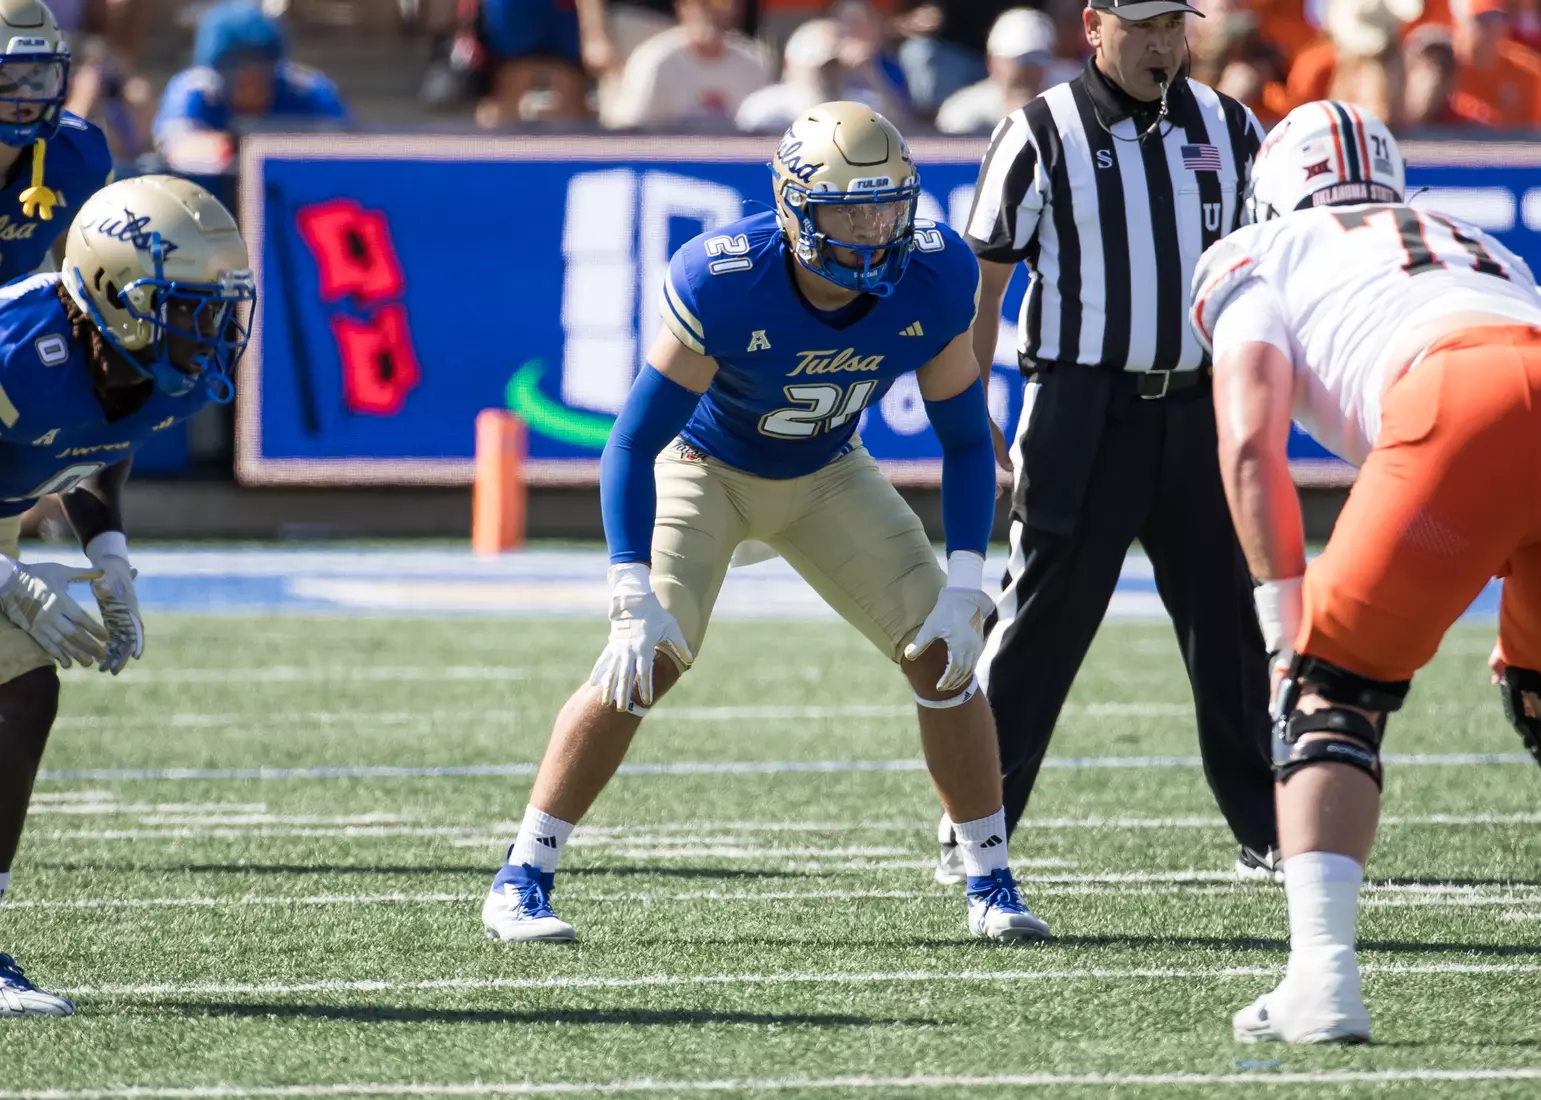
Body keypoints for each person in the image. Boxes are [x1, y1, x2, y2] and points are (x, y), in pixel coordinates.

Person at [481, 101, 1049, 946]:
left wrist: (967, 580)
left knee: (943, 656)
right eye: (851, 210)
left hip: (826, 471)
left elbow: (968, 442)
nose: (874, 229)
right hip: (704, 470)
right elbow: (634, 440)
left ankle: (989, 880)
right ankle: (521, 874)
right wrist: (630, 588)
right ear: (793, 210)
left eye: (890, 206)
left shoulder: (935, 275)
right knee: (646, 659)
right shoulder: (724, 276)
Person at [1192, 99, 1541, 1044]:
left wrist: (1282, 627)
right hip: (1513, 367)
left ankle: (1321, 980)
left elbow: (1248, 447)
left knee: (1328, 696)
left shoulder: (1256, 253)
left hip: (1454, 398)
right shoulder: (1469, 238)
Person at [939, 0, 1280, 890]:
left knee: (1228, 623)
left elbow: (1270, 257)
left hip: (1201, 406)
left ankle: (1268, 831)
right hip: (1082, 407)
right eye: (1141, 26)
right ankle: (978, 829)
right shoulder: (1039, 128)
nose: (1161, 43)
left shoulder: (1230, 124)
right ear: (1093, 25)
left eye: (1174, 23)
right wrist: (968, 393)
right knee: (1043, 621)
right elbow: (985, 272)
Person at [0, 173, 256, 1016]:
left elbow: (101, 436)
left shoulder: (149, 363)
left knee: (21, 694)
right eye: (185, 308)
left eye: (215, 308)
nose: (208, 331)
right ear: (108, 293)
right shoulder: (14, 347)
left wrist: (107, 553)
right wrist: (18, 586)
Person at [153, 1, 346, 177]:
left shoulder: (306, 90)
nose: (250, 75)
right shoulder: (197, 90)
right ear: (217, 67)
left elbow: (349, 149)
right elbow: (176, 149)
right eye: (234, 64)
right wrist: (237, 147)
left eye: (261, 62)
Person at [0, 0, 112, 282]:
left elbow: (80, 282)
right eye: (7, 77)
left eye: (38, 76)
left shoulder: (79, 157)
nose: (25, 92)